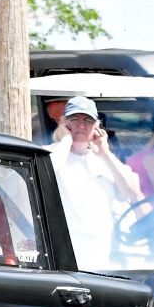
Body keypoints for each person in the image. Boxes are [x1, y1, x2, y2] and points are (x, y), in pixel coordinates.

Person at [49, 96, 143, 268]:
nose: (81, 125)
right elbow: (46, 173)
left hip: (101, 258)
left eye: (88, 121)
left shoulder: (104, 160)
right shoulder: (52, 154)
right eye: (74, 119)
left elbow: (134, 192)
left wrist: (104, 152)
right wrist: (66, 139)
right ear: (64, 122)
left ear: (96, 126)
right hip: (62, 259)